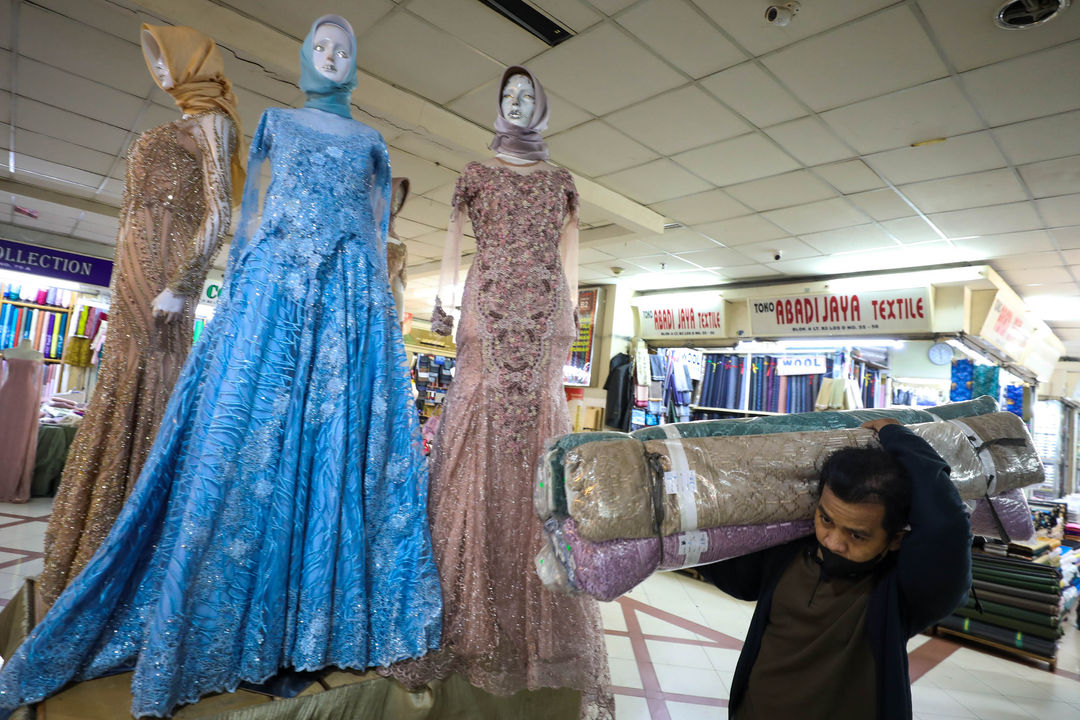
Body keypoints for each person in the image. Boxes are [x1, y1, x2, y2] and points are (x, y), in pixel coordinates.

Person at [697, 418, 972, 720]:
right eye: (826, 520)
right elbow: (729, 566)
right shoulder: (786, 556)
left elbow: (946, 525)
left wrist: (896, 434)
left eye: (857, 535)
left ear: (894, 538)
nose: (833, 542)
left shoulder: (901, 593)